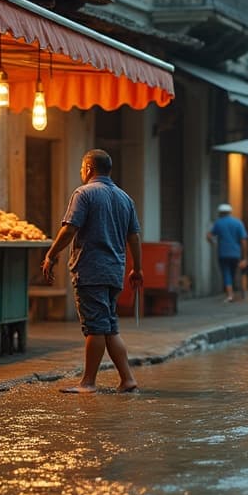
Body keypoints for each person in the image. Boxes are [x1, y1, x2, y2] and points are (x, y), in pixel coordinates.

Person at [41, 149, 141, 394]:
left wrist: (51, 255)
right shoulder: (125, 198)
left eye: (81, 168)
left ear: (88, 168)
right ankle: (127, 379)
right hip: (114, 272)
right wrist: (137, 268)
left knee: (95, 327)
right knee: (109, 326)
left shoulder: (83, 193)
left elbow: (69, 229)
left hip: (91, 270)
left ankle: (88, 383)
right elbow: (134, 236)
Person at [207, 203, 248, 303]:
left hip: (223, 252)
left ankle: (230, 295)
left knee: (226, 272)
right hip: (236, 253)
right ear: (230, 212)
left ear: (220, 213)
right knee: (234, 272)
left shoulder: (218, 223)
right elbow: (243, 240)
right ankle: (238, 292)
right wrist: (245, 257)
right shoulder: (238, 223)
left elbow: (209, 235)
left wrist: (214, 243)